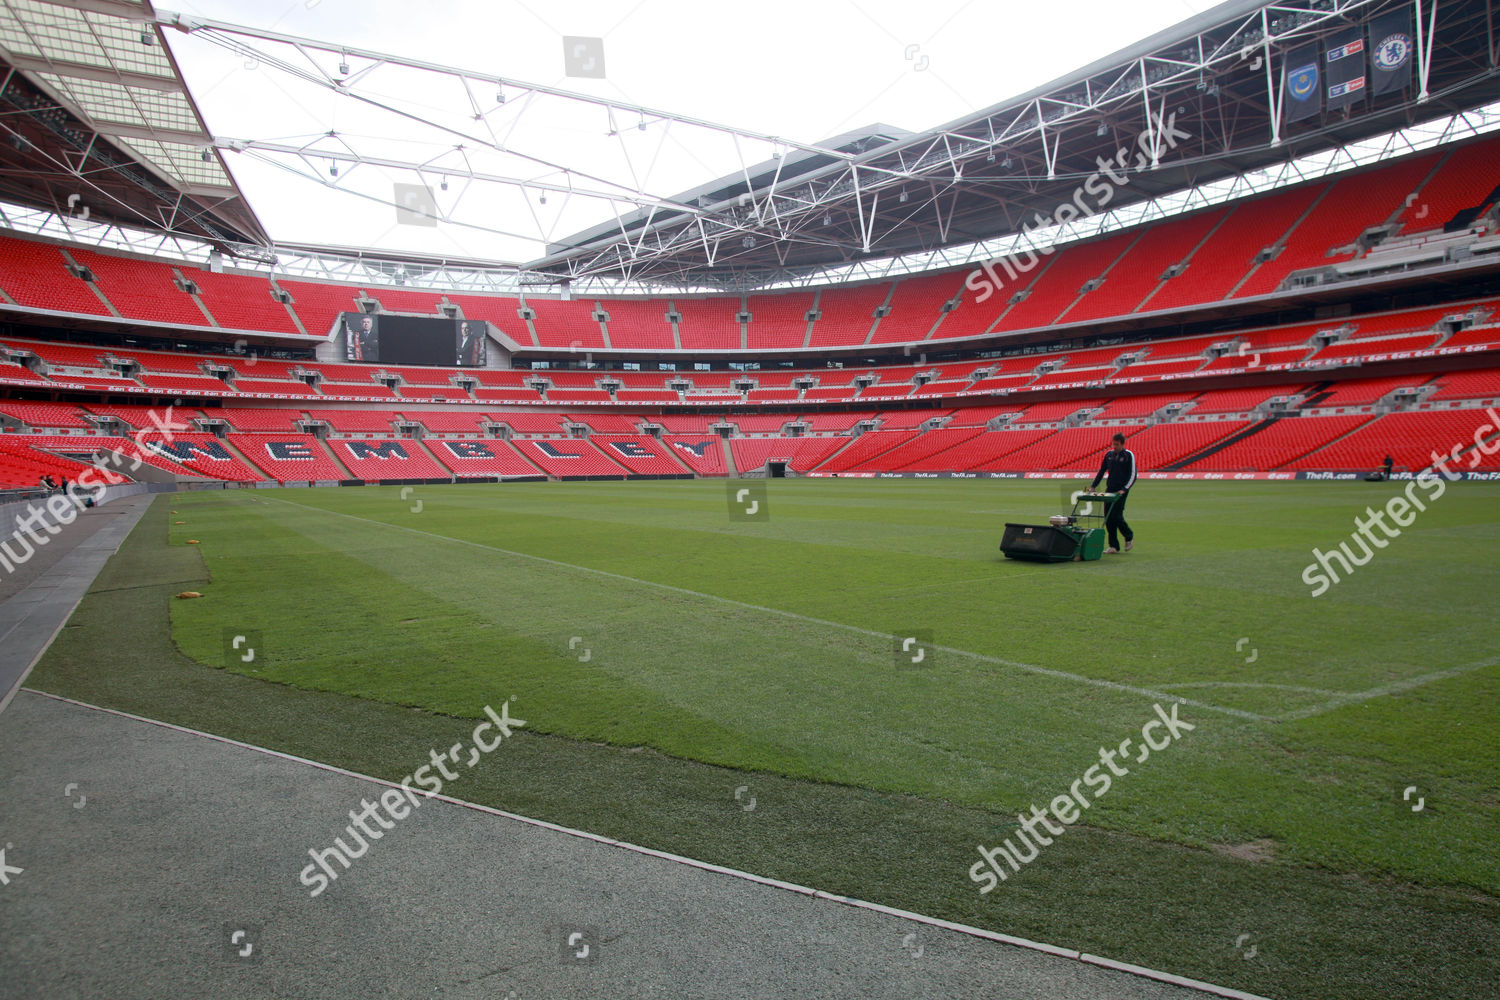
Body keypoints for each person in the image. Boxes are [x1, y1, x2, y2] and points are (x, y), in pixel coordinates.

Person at [1089, 432, 1137, 554]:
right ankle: (1113, 546)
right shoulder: (1109, 455)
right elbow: (1101, 471)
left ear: (1122, 444)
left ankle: (1129, 536)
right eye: (1113, 444)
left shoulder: (1128, 455)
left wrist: (1125, 489)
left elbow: (1133, 475)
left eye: (1116, 444)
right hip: (1109, 490)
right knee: (1109, 518)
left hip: (1121, 491)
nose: (1114, 447)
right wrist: (1093, 486)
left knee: (1117, 516)